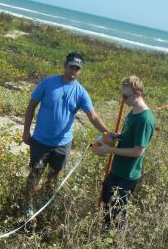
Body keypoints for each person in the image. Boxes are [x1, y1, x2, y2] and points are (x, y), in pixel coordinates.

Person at [22, 52, 110, 214]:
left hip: (62, 144)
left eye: (77, 69)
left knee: (53, 176)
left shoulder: (81, 92)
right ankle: (27, 205)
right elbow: (31, 106)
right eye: (71, 67)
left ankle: (45, 202)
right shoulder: (48, 83)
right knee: (35, 174)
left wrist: (107, 132)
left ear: (80, 71)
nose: (73, 71)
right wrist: (26, 131)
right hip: (40, 141)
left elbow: (93, 115)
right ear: (65, 65)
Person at [92, 76, 155, 228]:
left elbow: (138, 151)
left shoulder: (145, 119)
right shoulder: (133, 111)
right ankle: (106, 235)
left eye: (125, 96)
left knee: (116, 215)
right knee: (107, 204)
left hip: (127, 175)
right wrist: (116, 136)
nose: (123, 100)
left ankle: (114, 244)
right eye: (121, 95)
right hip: (117, 170)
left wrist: (109, 150)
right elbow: (128, 136)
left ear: (138, 94)